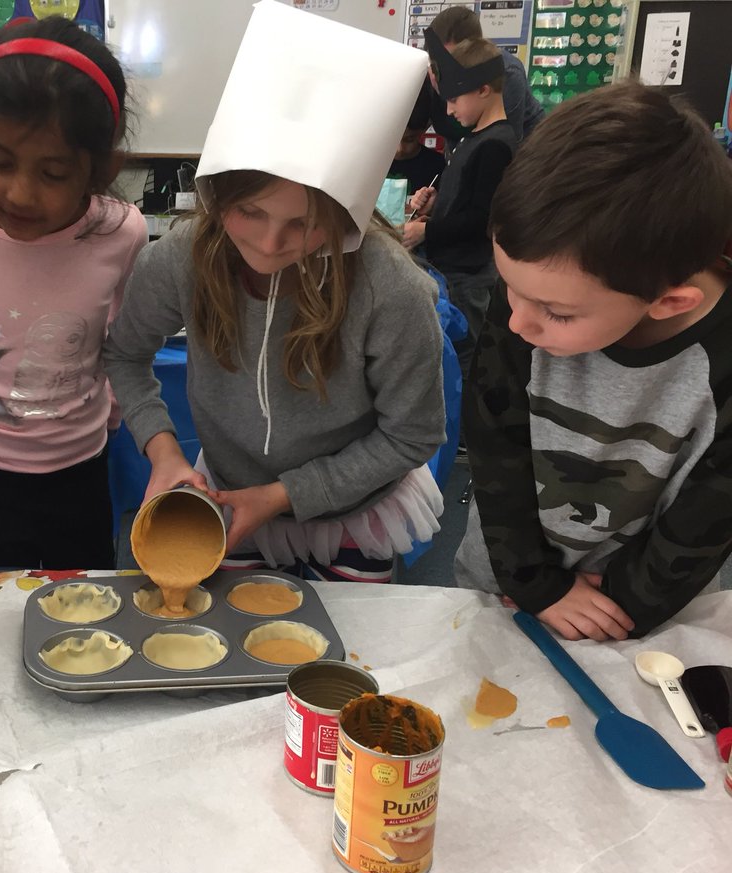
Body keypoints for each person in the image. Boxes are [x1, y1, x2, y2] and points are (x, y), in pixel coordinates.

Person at [104, 2, 445, 583]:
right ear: (217, 196)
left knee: (340, 654)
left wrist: (284, 493)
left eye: (305, 224)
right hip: (229, 492)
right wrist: (163, 452)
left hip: (353, 507)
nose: (268, 243)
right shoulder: (181, 260)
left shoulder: (391, 289)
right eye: (249, 212)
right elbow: (126, 354)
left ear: (347, 214)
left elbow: (411, 433)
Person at [454, 82, 732, 641]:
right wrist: (536, 584)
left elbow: (709, 516)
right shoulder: (536, 291)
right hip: (507, 579)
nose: (517, 325)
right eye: (509, 286)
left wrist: (624, 607)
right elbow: (493, 439)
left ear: (669, 301)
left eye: (556, 314)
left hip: (640, 608)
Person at [0, 17, 147, 569]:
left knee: (87, 608)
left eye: (53, 172)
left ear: (98, 169)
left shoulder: (122, 233)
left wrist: (112, 424)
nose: (19, 192)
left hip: (81, 468)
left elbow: (117, 345)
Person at [405, 34, 516, 380]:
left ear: (483, 89)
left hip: (468, 278)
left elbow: (481, 219)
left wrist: (427, 230)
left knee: (465, 358)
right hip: (453, 271)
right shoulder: (474, 138)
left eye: (453, 100)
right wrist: (436, 204)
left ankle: (466, 433)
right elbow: (466, 199)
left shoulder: (495, 145)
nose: (449, 110)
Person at [426, 5, 543, 143]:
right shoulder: (433, 71)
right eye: (436, 59)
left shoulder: (506, 73)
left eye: (449, 60)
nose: (443, 68)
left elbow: (501, 145)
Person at [390, 77, 445, 194]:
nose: (399, 149)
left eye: (409, 139)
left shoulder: (436, 166)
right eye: (393, 139)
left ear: (425, 129)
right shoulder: (369, 164)